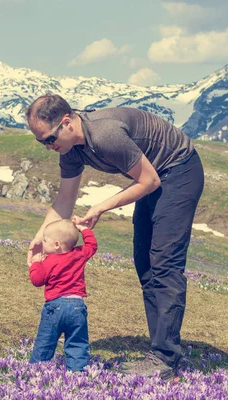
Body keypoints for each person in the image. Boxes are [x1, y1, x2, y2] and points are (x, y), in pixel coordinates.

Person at [25, 94, 204, 379]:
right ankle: (158, 348)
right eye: (40, 142)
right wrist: (39, 239)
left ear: (67, 123)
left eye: (48, 139)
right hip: (154, 176)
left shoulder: (105, 134)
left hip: (179, 170)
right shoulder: (69, 149)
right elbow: (64, 199)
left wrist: (100, 207)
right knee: (144, 262)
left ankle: (165, 358)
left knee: (165, 264)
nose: (48, 147)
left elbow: (150, 180)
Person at [29, 218, 98, 371]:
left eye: (45, 240)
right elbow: (92, 246)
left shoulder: (49, 261)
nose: (43, 243)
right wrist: (83, 229)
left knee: (45, 341)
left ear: (57, 244)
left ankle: (36, 371)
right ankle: (77, 373)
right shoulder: (79, 254)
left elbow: (37, 280)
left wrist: (35, 264)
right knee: (77, 342)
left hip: (55, 307)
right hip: (77, 307)